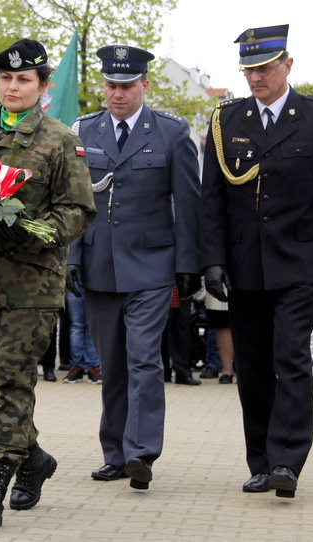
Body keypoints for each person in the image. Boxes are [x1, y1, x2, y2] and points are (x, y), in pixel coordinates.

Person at [200, 25, 313, 499]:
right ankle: (262, 460)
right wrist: (212, 260)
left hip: (301, 262)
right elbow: (211, 199)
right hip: (245, 265)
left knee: (290, 357)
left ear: (287, 65)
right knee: (251, 365)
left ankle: (288, 461)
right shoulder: (226, 121)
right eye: (248, 70)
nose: (256, 78)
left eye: (264, 68)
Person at [0, 39, 96, 533]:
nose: (12, 87)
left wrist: (36, 229)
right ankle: (32, 457)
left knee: (12, 382)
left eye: (23, 80)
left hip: (31, 284)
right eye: (6, 79)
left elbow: (77, 209)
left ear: (42, 87)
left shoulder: (59, 139)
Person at [67, 44, 201, 491]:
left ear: (144, 85)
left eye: (126, 86)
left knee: (144, 359)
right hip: (100, 263)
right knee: (113, 365)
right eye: (111, 85)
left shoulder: (170, 132)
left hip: (152, 265)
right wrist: (71, 258)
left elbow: (188, 202)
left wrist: (188, 265)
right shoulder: (84, 132)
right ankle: (115, 453)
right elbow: (73, 202)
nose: (117, 93)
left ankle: (141, 452)